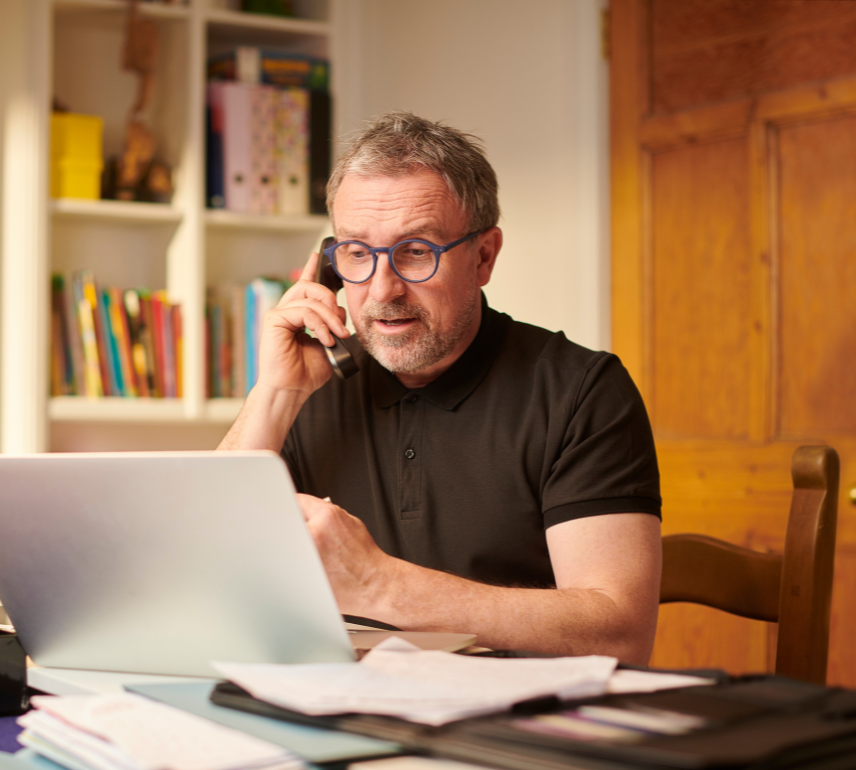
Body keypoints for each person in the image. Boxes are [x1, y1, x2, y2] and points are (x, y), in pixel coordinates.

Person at [219, 112, 662, 665]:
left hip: (514, 728)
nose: (383, 289)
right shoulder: (308, 382)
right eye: (357, 253)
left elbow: (620, 633)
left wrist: (382, 586)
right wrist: (276, 394)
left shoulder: (582, 392)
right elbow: (197, 576)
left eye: (416, 250)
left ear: (483, 256)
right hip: (342, 708)